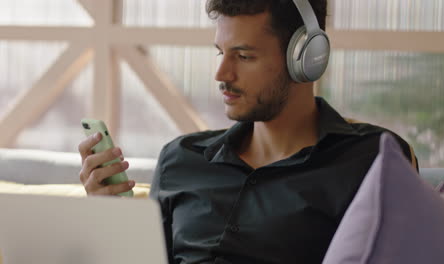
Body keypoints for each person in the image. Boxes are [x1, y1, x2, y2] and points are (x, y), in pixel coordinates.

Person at [78, 0, 418, 263]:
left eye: (243, 56)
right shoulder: (180, 158)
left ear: (307, 58)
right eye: (221, 53)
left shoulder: (372, 159)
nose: (222, 74)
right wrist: (110, 220)